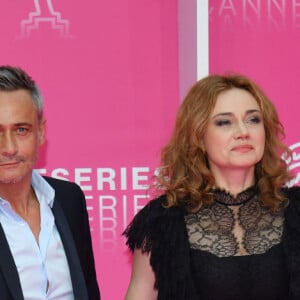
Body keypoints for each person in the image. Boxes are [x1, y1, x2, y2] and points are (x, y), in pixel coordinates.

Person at [123, 74, 300, 300]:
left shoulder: (296, 210)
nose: (243, 131)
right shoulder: (162, 222)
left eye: (253, 120)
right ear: (199, 137)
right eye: (224, 122)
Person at [0, 65, 100, 300]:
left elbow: (88, 288)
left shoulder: (69, 199)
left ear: (41, 132)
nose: (9, 148)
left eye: (21, 130)